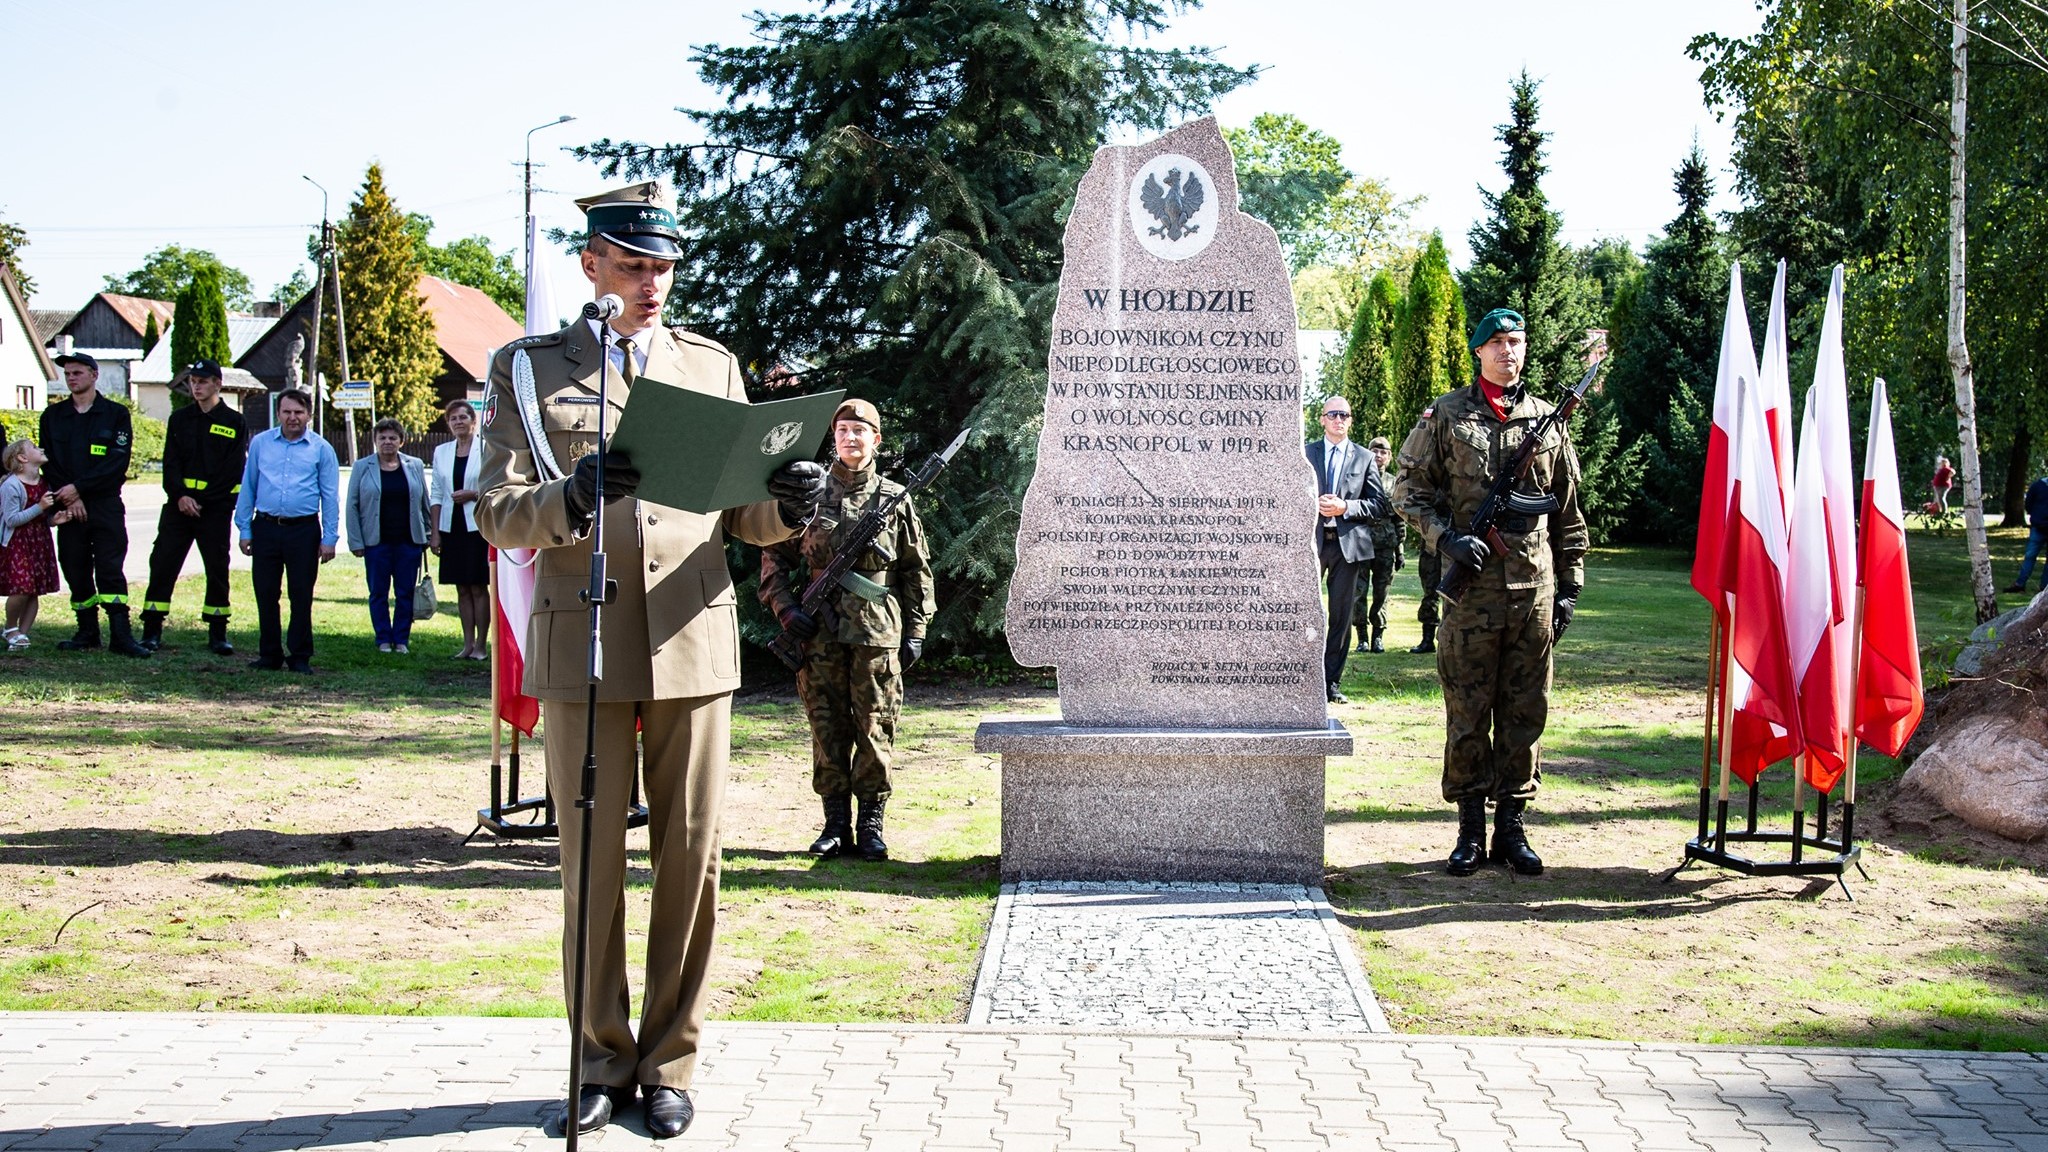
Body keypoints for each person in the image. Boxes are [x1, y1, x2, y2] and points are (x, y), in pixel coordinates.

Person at [473, 181, 826, 1140]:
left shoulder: (710, 367)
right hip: (581, 635)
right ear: (590, 264)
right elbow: (493, 510)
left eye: (666, 264)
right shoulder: (529, 368)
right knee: (589, 860)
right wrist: (570, 496)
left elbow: (740, 515)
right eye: (635, 263)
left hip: (690, 634)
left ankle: (670, 1062)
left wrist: (789, 502)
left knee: (690, 859)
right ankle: (598, 1060)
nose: (655, 280)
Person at [1393, 308, 1587, 878]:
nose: (1509, 352)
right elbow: (1408, 490)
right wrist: (1447, 539)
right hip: (1471, 594)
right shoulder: (1448, 415)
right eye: (1497, 343)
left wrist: (1570, 588)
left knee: (1526, 710)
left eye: (1517, 342)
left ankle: (1512, 828)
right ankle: (1470, 829)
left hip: (1534, 591)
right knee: (1469, 709)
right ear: (1478, 352)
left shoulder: (1548, 419)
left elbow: (1568, 514)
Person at [759, 399, 935, 862]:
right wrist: (785, 609)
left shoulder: (896, 498)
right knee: (826, 728)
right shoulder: (808, 496)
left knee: (876, 726)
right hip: (817, 634)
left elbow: (917, 570)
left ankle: (871, 825)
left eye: (860, 431)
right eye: (842, 431)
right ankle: (835, 824)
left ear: (876, 440)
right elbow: (773, 557)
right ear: (832, 438)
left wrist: (916, 630)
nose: (850, 438)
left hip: (876, 634)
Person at [40, 352, 149, 656]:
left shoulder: (115, 414)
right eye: (68, 374)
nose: (71, 378)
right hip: (67, 507)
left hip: (103, 505)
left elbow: (117, 462)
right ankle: (87, 631)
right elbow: (48, 462)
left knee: (110, 569)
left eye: (77, 372)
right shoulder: (53, 416)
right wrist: (68, 496)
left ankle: (121, 636)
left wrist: (79, 490)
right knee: (75, 568)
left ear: (94, 375)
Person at [139, 360, 249, 655]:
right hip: (179, 506)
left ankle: (217, 632)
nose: (196, 387)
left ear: (217, 383)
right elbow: (170, 463)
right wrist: (180, 497)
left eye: (202, 381)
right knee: (162, 564)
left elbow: (233, 469)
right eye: (192, 382)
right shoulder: (180, 419)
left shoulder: (234, 422)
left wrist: (205, 500)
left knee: (216, 568)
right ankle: (151, 630)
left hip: (214, 509)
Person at [234, 389, 339, 673]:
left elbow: (330, 496)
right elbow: (249, 486)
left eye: (299, 412)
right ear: (278, 413)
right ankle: (269, 655)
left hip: (303, 531)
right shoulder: (261, 444)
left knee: (301, 594)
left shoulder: (321, 449)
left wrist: (329, 538)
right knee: (266, 593)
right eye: (287, 412)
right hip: (266, 527)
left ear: (308, 415)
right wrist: (244, 528)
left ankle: (300, 655)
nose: (293, 417)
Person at [1304, 396, 1390, 704]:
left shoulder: (1364, 457)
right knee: (1301, 612)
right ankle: (1298, 678)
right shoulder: (1305, 452)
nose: (1339, 419)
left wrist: (1345, 507)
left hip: (1347, 547)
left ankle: (1330, 684)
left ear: (1350, 421)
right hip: (1309, 544)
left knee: (1340, 615)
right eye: (1333, 414)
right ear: (1322, 419)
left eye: (1345, 415)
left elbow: (1379, 505)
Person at [345, 418, 431, 654]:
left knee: (405, 593)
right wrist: (356, 541)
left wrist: (429, 534)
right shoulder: (363, 467)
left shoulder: (414, 465)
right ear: (375, 441)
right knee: (378, 592)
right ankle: (383, 638)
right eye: (382, 438)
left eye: (392, 438)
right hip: (376, 542)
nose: (387, 442)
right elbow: (352, 505)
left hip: (408, 541)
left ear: (401, 441)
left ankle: (401, 639)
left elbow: (424, 501)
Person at [429, 398, 491, 660]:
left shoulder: (486, 448)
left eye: (462, 417)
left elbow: (495, 487)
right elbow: (436, 493)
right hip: (450, 527)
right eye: (453, 418)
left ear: (473, 421)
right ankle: (466, 644)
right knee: (461, 588)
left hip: (476, 526)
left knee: (478, 586)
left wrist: (473, 493)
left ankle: (481, 645)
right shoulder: (442, 452)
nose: (458, 422)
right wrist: (434, 532)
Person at [2, 438, 62, 651]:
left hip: (39, 541)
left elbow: (41, 516)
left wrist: (53, 520)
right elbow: (11, 520)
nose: (42, 448)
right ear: (22, 458)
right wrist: (39, 507)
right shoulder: (11, 485)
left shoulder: (44, 483)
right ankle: (10, 628)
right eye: (35, 448)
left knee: (34, 589)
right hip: (18, 544)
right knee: (21, 588)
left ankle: (22, 635)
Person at [1351, 435, 1404, 654]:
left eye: (1384, 452)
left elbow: (1400, 518)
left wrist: (1400, 550)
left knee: (1382, 593)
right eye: (1375, 451)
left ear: (1390, 457)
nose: (1379, 456)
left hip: (1386, 546)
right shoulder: (1358, 480)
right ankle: (1362, 637)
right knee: (1359, 591)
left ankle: (1378, 637)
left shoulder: (1395, 482)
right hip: (1362, 544)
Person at [2005, 472, 2048, 595]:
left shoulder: (2038, 485)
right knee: (2030, 555)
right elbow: (2029, 503)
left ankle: (2041, 587)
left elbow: (2029, 504)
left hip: (2038, 525)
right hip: (2038, 526)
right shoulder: (2038, 486)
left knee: (2030, 555)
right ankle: (2027, 584)